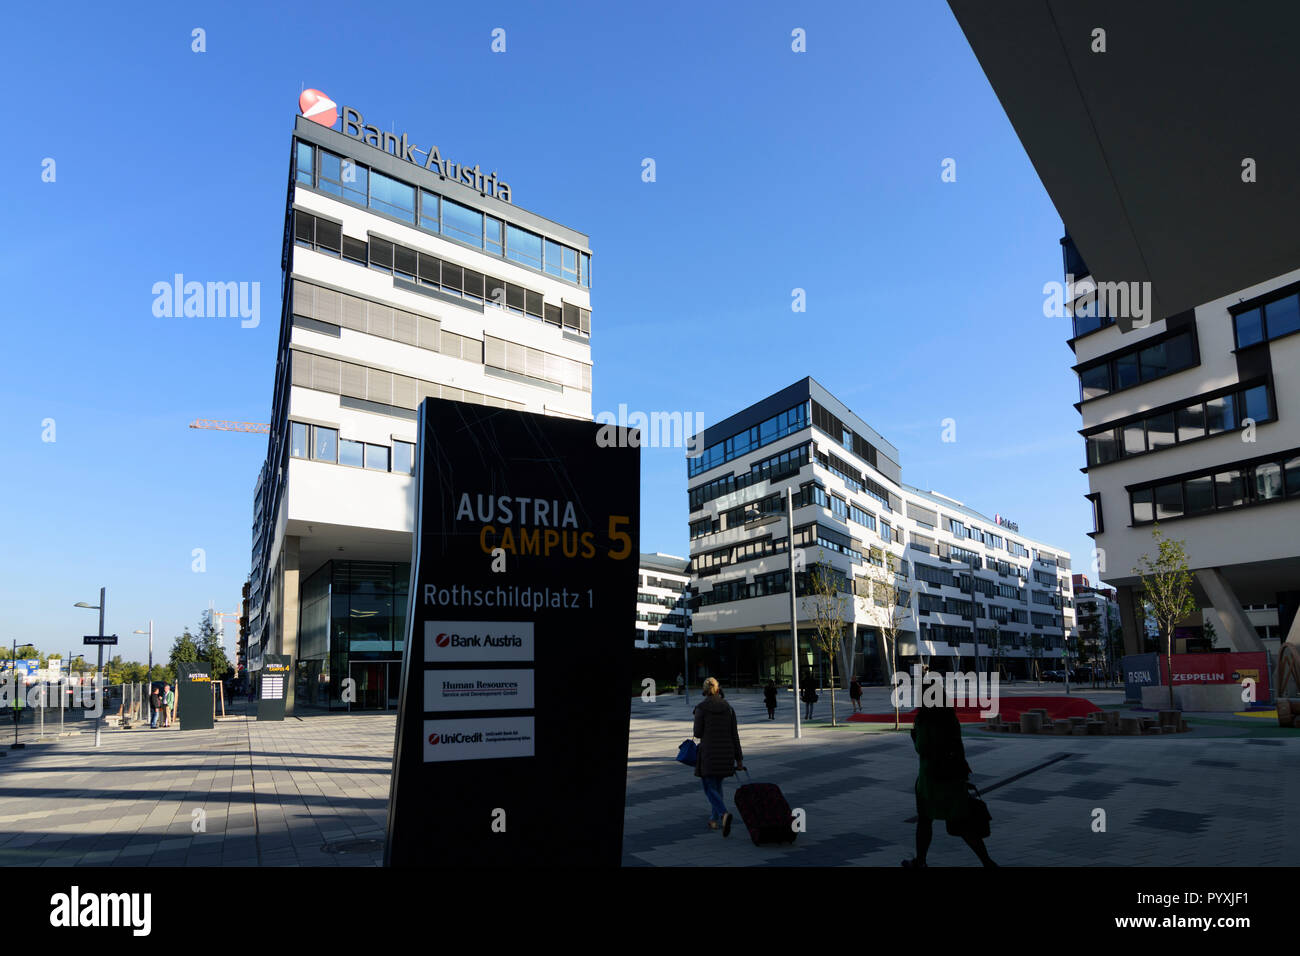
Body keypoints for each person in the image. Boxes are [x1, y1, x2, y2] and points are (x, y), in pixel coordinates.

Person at [903, 680, 996, 868]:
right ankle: (987, 862)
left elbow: (922, 748)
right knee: (962, 823)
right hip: (953, 776)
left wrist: (914, 738)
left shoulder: (924, 719)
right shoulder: (950, 717)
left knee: (925, 821)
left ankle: (920, 861)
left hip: (931, 778)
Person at [693, 677, 744, 835]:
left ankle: (723, 813)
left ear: (705, 689)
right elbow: (734, 734)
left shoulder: (701, 708)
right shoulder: (728, 708)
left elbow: (697, 733)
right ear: (717, 688)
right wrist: (739, 759)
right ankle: (714, 820)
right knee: (717, 785)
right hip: (726, 753)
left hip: (709, 753)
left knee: (708, 787)